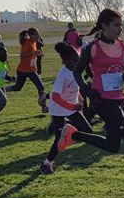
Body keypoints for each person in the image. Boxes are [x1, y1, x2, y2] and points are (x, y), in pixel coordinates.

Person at [58, 8, 124, 198]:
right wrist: (87, 91)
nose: (120, 29)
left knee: (113, 145)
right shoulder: (93, 48)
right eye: (116, 25)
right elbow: (77, 72)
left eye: (121, 25)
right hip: (102, 101)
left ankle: (74, 133)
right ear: (104, 25)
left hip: (120, 99)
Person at [40, 42, 94, 174]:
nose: (77, 62)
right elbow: (56, 97)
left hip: (71, 108)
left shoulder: (76, 71)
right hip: (58, 109)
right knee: (59, 139)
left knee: (87, 131)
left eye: (78, 59)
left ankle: (64, 127)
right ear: (65, 61)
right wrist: (73, 105)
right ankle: (46, 164)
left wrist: (80, 99)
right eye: (74, 60)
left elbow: (76, 88)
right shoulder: (62, 75)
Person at [5, 28, 48, 111]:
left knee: (41, 87)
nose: (38, 36)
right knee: (17, 87)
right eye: (36, 34)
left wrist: (38, 54)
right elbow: (22, 55)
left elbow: (32, 55)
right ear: (31, 35)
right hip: (23, 70)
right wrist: (33, 53)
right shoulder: (27, 43)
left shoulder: (34, 42)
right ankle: (2, 90)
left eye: (38, 34)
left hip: (32, 70)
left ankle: (44, 107)